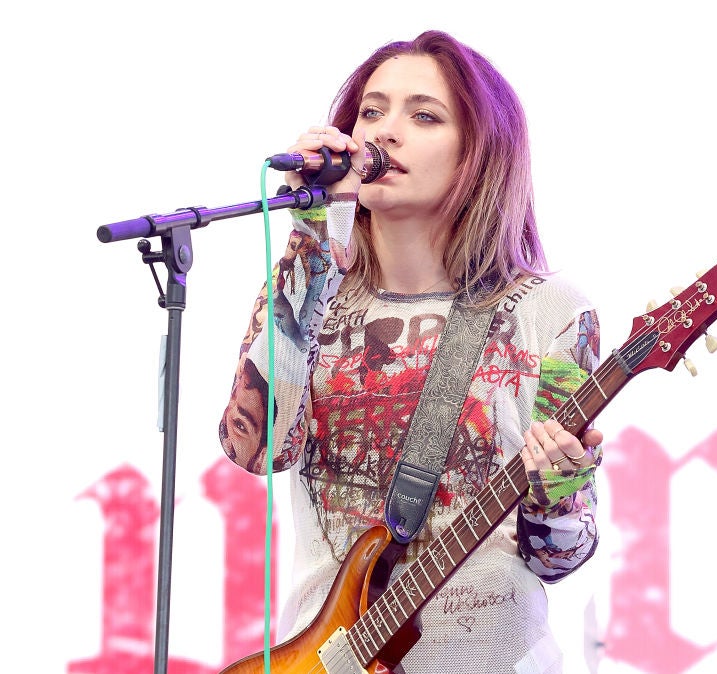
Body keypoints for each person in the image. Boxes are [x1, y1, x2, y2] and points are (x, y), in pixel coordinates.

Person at [220, 29, 603, 674]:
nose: (384, 133)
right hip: (324, 659)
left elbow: (557, 558)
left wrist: (558, 488)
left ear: (481, 153)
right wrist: (317, 239)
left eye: (423, 115)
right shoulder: (308, 287)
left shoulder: (553, 311)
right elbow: (256, 449)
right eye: (371, 111)